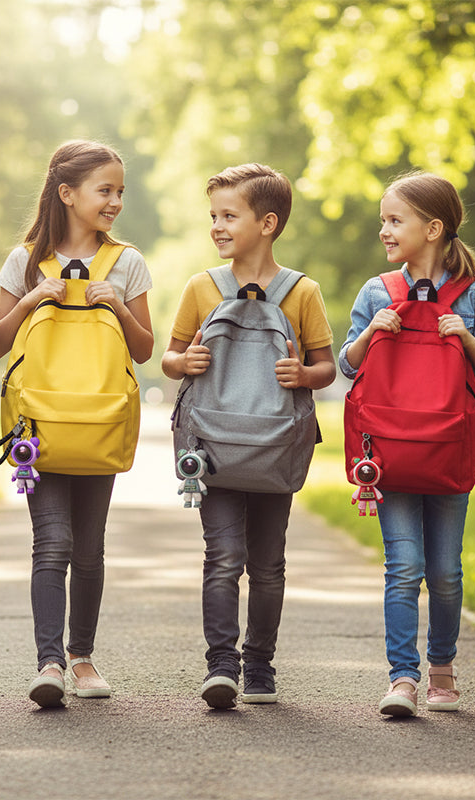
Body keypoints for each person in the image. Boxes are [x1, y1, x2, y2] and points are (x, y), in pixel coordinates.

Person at [161, 164, 336, 708]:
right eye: (212, 215)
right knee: (223, 556)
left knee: (268, 563)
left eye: (228, 216)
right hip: (211, 447)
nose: (216, 226)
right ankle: (222, 665)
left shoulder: (302, 292)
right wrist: (182, 360)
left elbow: (327, 367)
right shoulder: (200, 287)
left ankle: (259, 664)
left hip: (274, 447)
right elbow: (168, 358)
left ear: (267, 222)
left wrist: (304, 376)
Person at [0, 140, 153, 708]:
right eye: (105, 191)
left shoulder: (127, 261)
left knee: (89, 548)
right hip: (40, 425)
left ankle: (81, 656)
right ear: (67, 193)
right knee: (50, 545)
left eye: (120, 192)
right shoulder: (25, 261)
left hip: (99, 423)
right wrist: (35, 295)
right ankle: (50, 662)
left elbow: (146, 349)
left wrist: (120, 306)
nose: (115, 202)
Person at [339, 171, 475, 717]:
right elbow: (348, 363)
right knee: (403, 568)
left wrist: (466, 337)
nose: (384, 231)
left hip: (449, 449)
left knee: (446, 572)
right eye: (384, 220)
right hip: (387, 451)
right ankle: (403, 678)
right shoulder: (376, 292)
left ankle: (442, 668)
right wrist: (372, 332)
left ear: (433, 229)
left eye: (395, 220)